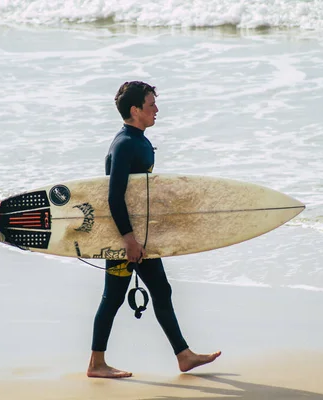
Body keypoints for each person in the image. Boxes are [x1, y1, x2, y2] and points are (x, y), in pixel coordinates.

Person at [87, 81, 221, 378]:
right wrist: (128, 240)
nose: (156, 110)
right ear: (135, 110)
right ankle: (96, 364)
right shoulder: (125, 144)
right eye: (151, 105)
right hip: (127, 239)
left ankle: (183, 356)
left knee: (160, 290)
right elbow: (114, 196)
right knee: (113, 297)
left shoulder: (138, 140)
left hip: (140, 236)